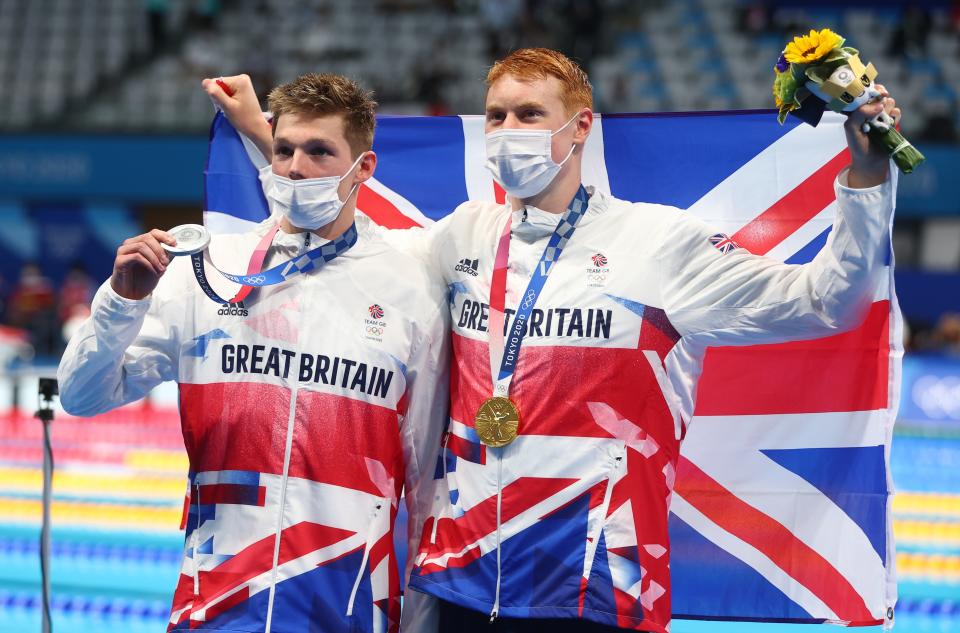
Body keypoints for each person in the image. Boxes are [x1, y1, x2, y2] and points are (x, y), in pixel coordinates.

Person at [209, 47, 899, 633]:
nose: (510, 130)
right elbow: (362, 219)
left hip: (598, 585)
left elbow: (825, 302)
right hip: (464, 580)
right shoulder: (464, 237)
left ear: (579, 128)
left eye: (530, 114)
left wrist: (867, 178)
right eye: (499, 116)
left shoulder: (658, 243)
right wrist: (265, 135)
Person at [58, 73, 449, 633]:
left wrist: (419, 620)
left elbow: (426, 475)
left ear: (364, 168)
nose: (294, 168)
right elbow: (82, 395)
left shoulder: (410, 286)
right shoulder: (205, 267)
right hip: (216, 599)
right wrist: (122, 299)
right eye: (284, 149)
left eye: (319, 152)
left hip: (350, 599)